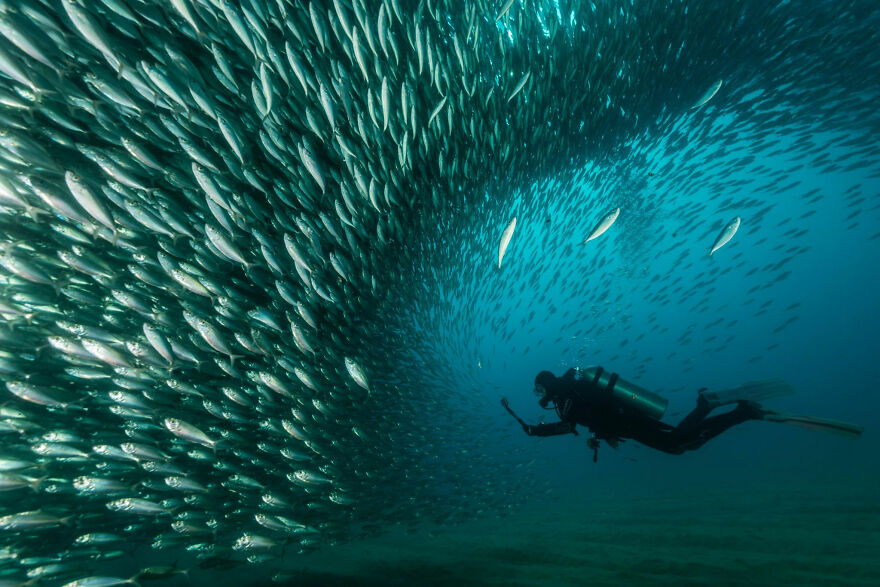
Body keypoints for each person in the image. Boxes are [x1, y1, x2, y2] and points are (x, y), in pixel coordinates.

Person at [502, 367, 863, 462]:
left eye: (539, 390)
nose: (539, 396)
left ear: (547, 385)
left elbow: (569, 425)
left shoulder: (567, 399)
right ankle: (735, 410)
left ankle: (730, 410)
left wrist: (537, 432)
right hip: (628, 421)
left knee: (677, 444)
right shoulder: (572, 392)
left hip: (630, 422)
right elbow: (587, 420)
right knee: (679, 445)